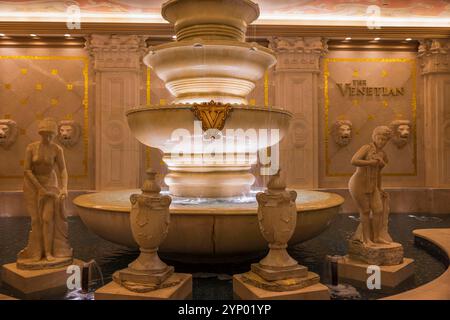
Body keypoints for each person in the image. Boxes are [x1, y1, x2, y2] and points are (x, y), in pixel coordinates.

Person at [18, 118, 72, 266]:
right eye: (44, 135)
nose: (47, 138)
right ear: (40, 134)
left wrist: (64, 187)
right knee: (36, 220)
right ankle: (36, 251)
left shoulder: (56, 149)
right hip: (32, 185)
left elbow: (63, 170)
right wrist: (39, 188)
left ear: (54, 135)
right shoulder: (31, 147)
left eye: (50, 135)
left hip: (50, 183)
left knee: (47, 219)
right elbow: (27, 170)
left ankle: (48, 252)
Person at [348, 126, 392, 246]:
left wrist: (379, 187)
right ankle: (366, 239)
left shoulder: (382, 154)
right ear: (374, 137)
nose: (381, 142)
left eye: (384, 140)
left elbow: (378, 173)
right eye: (380, 138)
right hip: (358, 184)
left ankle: (377, 237)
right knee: (365, 211)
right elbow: (353, 161)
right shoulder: (366, 148)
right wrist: (370, 162)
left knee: (378, 210)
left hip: (372, 186)